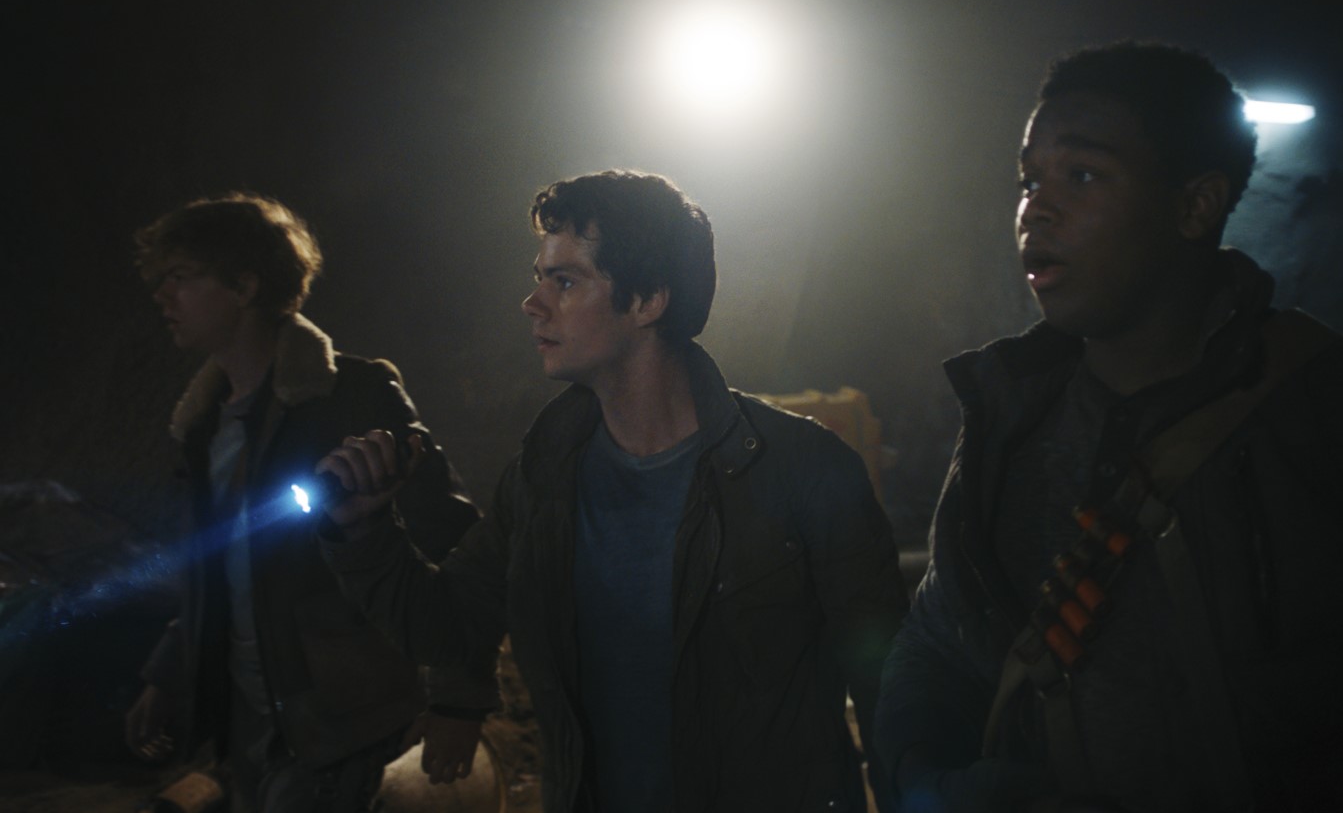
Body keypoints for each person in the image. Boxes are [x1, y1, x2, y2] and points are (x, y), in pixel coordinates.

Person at [874, 43, 1343, 812]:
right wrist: (927, 781)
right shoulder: (1011, 419)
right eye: (1030, 179)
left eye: (1082, 175)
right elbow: (938, 648)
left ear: (1195, 206)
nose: (1036, 209)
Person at [315, 170, 908, 812]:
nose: (533, 303)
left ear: (648, 300)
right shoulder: (546, 473)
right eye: (540, 278)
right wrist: (363, 530)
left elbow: (893, 698)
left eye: (565, 281)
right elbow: (452, 629)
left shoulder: (803, 469)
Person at [124, 193, 494, 813]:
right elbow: (216, 571)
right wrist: (166, 675)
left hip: (349, 723)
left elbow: (456, 542)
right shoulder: (202, 425)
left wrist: (459, 701)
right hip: (246, 725)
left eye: (181, 277)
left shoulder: (351, 395)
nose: (163, 296)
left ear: (244, 286)